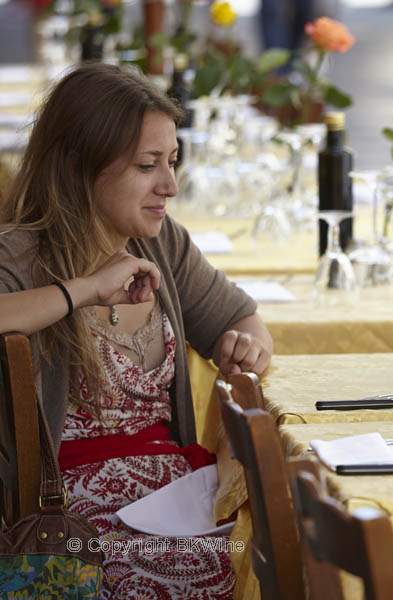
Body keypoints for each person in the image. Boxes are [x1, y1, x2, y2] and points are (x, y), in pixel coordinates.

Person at [0, 62, 273, 597]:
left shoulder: (160, 244)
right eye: (148, 165)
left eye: (171, 162)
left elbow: (240, 316)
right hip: (68, 526)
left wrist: (247, 345)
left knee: (277, 544)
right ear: (81, 166)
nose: (170, 185)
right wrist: (85, 289)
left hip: (179, 506)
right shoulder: (19, 253)